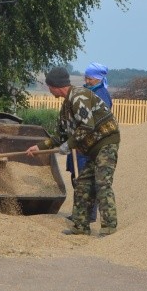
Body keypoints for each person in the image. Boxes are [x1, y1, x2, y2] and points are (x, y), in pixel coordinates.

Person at [28, 66, 120, 237]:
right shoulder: (66, 107)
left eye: (49, 87)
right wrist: (40, 147)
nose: (48, 90)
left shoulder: (79, 97)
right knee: (82, 185)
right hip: (92, 149)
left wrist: (69, 145)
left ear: (56, 86)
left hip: (106, 143)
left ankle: (109, 227)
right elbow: (60, 135)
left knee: (102, 183)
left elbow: (87, 125)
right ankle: (80, 226)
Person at [65, 61, 114, 224]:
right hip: (80, 142)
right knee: (76, 177)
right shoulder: (87, 91)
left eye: (89, 78)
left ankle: (88, 215)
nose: (86, 80)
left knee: (86, 180)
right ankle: (80, 213)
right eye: (86, 77)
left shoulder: (102, 95)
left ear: (98, 78)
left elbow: (95, 122)